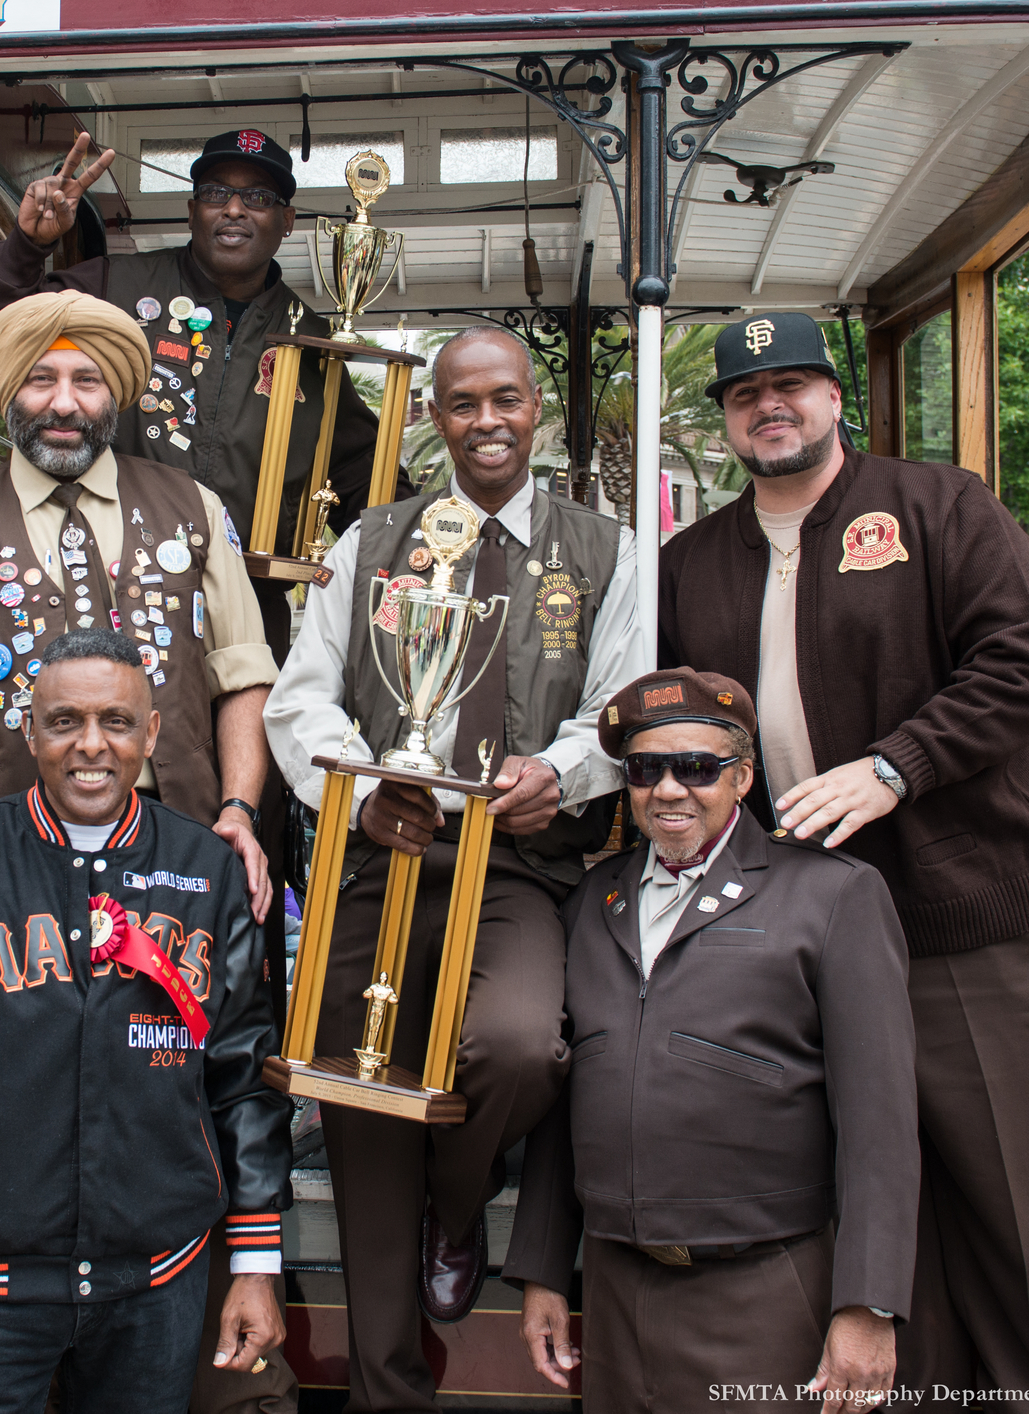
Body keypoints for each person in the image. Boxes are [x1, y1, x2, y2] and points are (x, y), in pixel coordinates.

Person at [656, 311, 1029, 1405]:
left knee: (1013, 1232)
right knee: (882, 1247)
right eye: (749, 390)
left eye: (795, 381)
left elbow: (1026, 668)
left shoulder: (940, 506)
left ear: (837, 397)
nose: (774, 403)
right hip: (792, 950)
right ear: (723, 420)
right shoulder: (689, 562)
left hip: (962, 934)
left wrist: (893, 768)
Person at [263, 324, 648, 1410]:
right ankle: (388, 1388)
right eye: (463, 403)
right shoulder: (374, 541)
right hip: (381, 858)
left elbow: (618, 711)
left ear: (539, 409)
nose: (488, 421)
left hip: (525, 869)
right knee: (362, 1094)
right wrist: (362, 781)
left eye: (507, 400)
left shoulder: (606, 549)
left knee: (521, 1049)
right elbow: (302, 698)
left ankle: (457, 1195)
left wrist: (563, 776)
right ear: (434, 416)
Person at [0, 628, 293, 1414]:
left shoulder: (209, 874)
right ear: (29, 729)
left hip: (154, 1281)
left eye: (116, 722)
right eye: (64, 721)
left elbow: (244, 1082)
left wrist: (255, 1263)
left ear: (151, 733)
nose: (91, 746)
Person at [505, 667, 917, 1413]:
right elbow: (566, 1106)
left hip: (760, 1292)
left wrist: (869, 1306)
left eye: (697, 767)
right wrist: (541, 1271)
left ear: (743, 776)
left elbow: (880, 1126)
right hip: (615, 1289)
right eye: (645, 768)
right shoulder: (589, 906)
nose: (669, 790)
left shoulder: (833, 897)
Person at [0, 288, 278, 923]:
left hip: (172, 846)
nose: (63, 402)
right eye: (40, 379)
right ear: (9, 393)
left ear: (113, 395)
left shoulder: (193, 508)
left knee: (161, 1019)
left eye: (87, 380)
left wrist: (238, 810)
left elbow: (242, 675)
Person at [0, 126, 401, 656]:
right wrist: (26, 247)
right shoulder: (113, 289)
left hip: (247, 614)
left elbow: (366, 478)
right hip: (100, 596)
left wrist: (435, 541)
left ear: (286, 221)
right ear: (191, 211)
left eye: (257, 197)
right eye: (215, 193)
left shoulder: (314, 341)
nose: (233, 209)